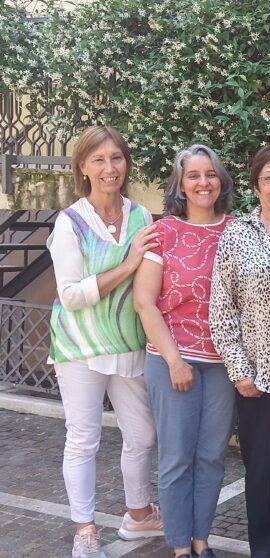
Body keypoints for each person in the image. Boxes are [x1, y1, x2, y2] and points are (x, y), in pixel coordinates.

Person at [47, 125, 163, 558]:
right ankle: (85, 529)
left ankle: (139, 515)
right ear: (83, 167)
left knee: (143, 435)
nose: (109, 168)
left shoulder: (141, 216)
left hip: (129, 341)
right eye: (98, 159)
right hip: (80, 346)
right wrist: (128, 264)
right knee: (83, 438)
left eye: (116, 158)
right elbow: (70, 295)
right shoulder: (70, 222)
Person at [133, 144, 235, 558]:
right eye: (193, 175)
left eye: (210, 174)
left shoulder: (238, 231)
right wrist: (175, 361)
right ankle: (179, 547)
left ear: (221, 181)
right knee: (177, 458)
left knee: (211, 457)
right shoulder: (164, 233)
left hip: (223, 363)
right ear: (180, 184)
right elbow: (145, 302)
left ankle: (201, 541)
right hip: (171, 358)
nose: (203, 182)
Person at [210, 143, 270, 558]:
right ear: (256, 187)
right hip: (259, 375)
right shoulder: (237, 235)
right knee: (261, 473)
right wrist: (238, 368)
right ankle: (263, 552)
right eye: (269, 178)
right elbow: (222, 307)